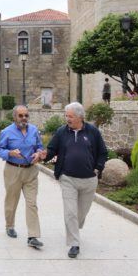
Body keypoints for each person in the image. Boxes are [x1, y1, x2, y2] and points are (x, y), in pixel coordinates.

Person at [41, 102, 107, 259]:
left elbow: (103, 152)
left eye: (70, 116)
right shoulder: (62, 132)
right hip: (68, 178)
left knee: (81, 213)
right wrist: (45, 155)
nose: (67, 119)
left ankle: (74, 229)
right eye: (66, 116)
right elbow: (52, 149)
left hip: (89, 180)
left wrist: (97, 168)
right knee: (70, 212)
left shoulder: (93, 132)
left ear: (80, 117)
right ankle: (74, 244)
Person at [0, 105, 44, 249]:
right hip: (13, 170)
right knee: (12, 201)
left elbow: (39, 147)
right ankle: (10, 225)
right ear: (14, 117)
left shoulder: (34, 130)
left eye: (26, 115)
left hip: (31, 171)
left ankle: (33, 236)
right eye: (21, 115)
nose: (24, 118)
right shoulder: (7, 132)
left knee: (32, 203)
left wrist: (38, 153)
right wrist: (9, 153)